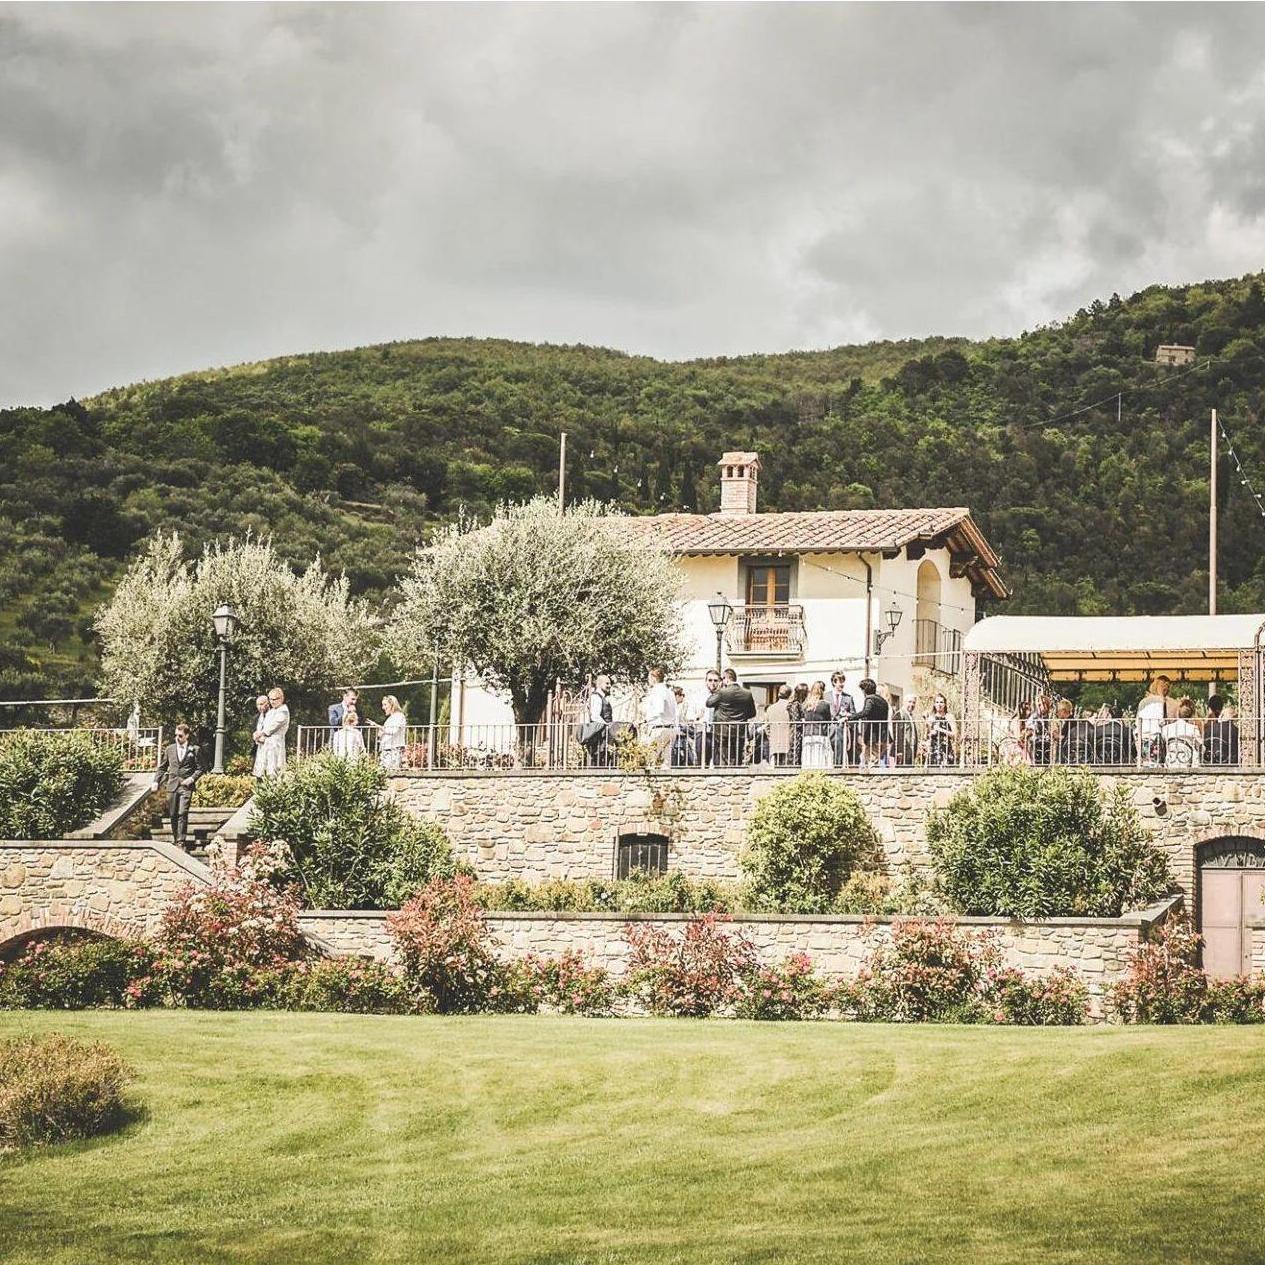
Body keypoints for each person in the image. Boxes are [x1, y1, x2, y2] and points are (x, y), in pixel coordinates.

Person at [152, 722, 203, 850]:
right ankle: (176, 838)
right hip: (172, 785)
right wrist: (156, 781)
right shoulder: (169, 749)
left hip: (186, 786)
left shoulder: (194, 749)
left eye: (180, 736)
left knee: (182, 812)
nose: (177, 738)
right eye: (176, 735)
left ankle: (181, 841)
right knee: (173, 813)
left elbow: (200, 768)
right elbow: (162, 767)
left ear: (187, 735)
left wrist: (191, 779)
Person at [706, 668, 757, 766]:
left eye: (722, 679)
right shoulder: (747, 693)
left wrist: (718, 690)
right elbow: (752, 713)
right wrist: (740, 716)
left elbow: (709, 703)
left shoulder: (722, 692)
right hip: (740, 730)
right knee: (737, 757)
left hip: (723, 731)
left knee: (724, 758)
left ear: (726, 679)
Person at [1137, 675, 1179, 763]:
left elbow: (1138, 721)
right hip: (1157, 737)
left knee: (1147, 762)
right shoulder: (1162, 702)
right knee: (1157, 762)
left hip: (1144, 736)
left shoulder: (1143, 702)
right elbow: (1163, 721)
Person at [850, 678, 890, 768]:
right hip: (883, 735)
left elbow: (865, 712)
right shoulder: (883, 701)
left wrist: (850, 717)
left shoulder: (870, 699)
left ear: (865, 690)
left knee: (871, 761)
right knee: (873, 760)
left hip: (873, 736)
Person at [641, 666, 677, 767]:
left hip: (659, 729)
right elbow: (675, 711)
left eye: (649, 678)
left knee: (651, 761)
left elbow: (658, 710)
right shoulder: (669, 692)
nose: (648, 680)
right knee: (665, 764)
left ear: (653, 678)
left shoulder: (657, 691)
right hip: (670, 729)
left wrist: (644, 720)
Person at [254, 687, 290, 777]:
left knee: (274, 770)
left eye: (275, 699)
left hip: (275, 744)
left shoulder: (283, 711)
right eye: (270, 699)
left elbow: (272, 727)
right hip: (265, 744)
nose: (272, 702)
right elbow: (263, 726)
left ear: (281, 698)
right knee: (262, 771)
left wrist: (261, 734)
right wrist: (257, 735)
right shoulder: (271, 711)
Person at [689, 670, 722, 766]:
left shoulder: (722, 696)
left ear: (719, 682)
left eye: (715, 680)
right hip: (702, 733)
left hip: (718, 734)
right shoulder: (698, 696)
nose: (713, 683)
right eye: (710, 680)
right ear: (706, 681)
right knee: (702, 763)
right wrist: (697, 717)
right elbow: (689, 717)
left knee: (718, 763)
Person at [580, 674, 613, 767]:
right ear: (599, 684)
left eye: (610, 683)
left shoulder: (602, 697)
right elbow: (595, 716)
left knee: (603, 759)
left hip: (602, 734)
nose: (609, 686)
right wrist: (607, 726)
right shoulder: (596, 697)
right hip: (598, 734)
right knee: (597, 758)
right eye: (607, 683)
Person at [1162, 697, 1202, 768]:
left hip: (1170, 761)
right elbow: (1200, 746)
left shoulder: (1166, 728)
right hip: (1186, 762)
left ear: (1178, 713)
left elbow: (1163, 743)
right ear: (1191, 715)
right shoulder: (1193, 729)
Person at [802, 681, 834, 768]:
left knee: (809, 759)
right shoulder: (825, 704)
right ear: (822, 691)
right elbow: (828, 720)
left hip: (807, 734)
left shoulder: (805, 705)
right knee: (820, 759)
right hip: (820, 734)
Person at [828, 671, 856, 767]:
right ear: (834, 682)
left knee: (839, 752)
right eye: (840, 681)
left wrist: (847, 716)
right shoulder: (825, 696)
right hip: (828, 729)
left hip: (841, 730)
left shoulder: (848, 698)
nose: (842, 684)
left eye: (843, 681)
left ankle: (838, 768)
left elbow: (854, 715)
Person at [1203, 694, 1239, 766]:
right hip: (1229, 761)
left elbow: (1205, 743)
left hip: (1212, 761)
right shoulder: (1235, 730)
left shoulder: (1209, 728)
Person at [1055, 699, 1094, 765]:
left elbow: (1065, 738)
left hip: (1070, 752)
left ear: (1063, 711)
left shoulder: (1069, 722)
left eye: (1058, 711)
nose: (1057, 713)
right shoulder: (1072, 721)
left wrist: (1056, 735)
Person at [926, 693, 957, 767]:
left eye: (941, 702)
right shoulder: (931, 717)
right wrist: (929, 730)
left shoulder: (949, 717)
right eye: (937, 702)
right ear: (934, 704)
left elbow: (955, 734)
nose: (939, 704)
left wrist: (940, 730)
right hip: (933, 749)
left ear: (945, 704)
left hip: (946, 748)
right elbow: (926, 735)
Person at [378, 694, 407, 770]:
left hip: (394, 750)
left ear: (392, 705)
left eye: (385, 705)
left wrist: (379, 727)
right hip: (386, 749)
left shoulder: (399, 716)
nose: (383, 707)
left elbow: (393, 730)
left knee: (391, 771)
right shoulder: (390, 718)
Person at [765, 685, 792, 767]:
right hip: (788, 741)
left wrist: (770, 736)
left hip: (775, 741)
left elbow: (767, 726)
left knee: (775, 766)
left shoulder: (771, 708)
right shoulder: (791, 707)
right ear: (790, 695)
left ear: (778, 694)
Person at [890, 694, 920, 766]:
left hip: (910, 750)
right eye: (909, 702)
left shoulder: (911, 716)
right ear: (904, 702)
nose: (912, 704)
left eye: (913, 702)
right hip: (902, 751)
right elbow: (897, 734)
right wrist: (899, 751)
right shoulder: (899, 715)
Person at [1027, 691, 1055, 767]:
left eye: (1042, 704)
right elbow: (1030, 728)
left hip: (1047, 743)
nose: (1040, 707)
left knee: (1046, 762)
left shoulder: (1050, 716)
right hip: (1036, 742)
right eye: (1039, 705)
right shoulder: (1034, 716)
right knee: (1038, 762)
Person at [787, 682, 808, 767]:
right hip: (796, 732)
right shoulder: (795, 704)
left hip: (797, 731)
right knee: (795, 753)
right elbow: (796, 720)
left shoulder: (797, 703)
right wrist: (803, 721)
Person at [251, 694, 271, 776]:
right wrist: (255, 737)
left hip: (270, 748)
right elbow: (253, 732)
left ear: (268, 704)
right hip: (259, 748)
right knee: (259, 774)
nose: (259, 707)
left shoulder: (273, 716)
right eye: (258, 705)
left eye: (261, 704)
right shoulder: (257, 718)